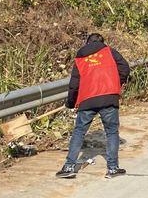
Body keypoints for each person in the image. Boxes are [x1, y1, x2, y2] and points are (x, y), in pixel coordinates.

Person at [56, 33, 130, 179]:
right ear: (102, 42)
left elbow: (74, 83)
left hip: (87, 99)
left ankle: (69, 167)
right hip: (109, 97)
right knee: (111, 132)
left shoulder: (81, 56)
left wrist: (70, 102)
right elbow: (125, 69)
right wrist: (115, 84)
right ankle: (112, 168)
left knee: (79, 132)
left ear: (87, 43)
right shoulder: (110, 52)